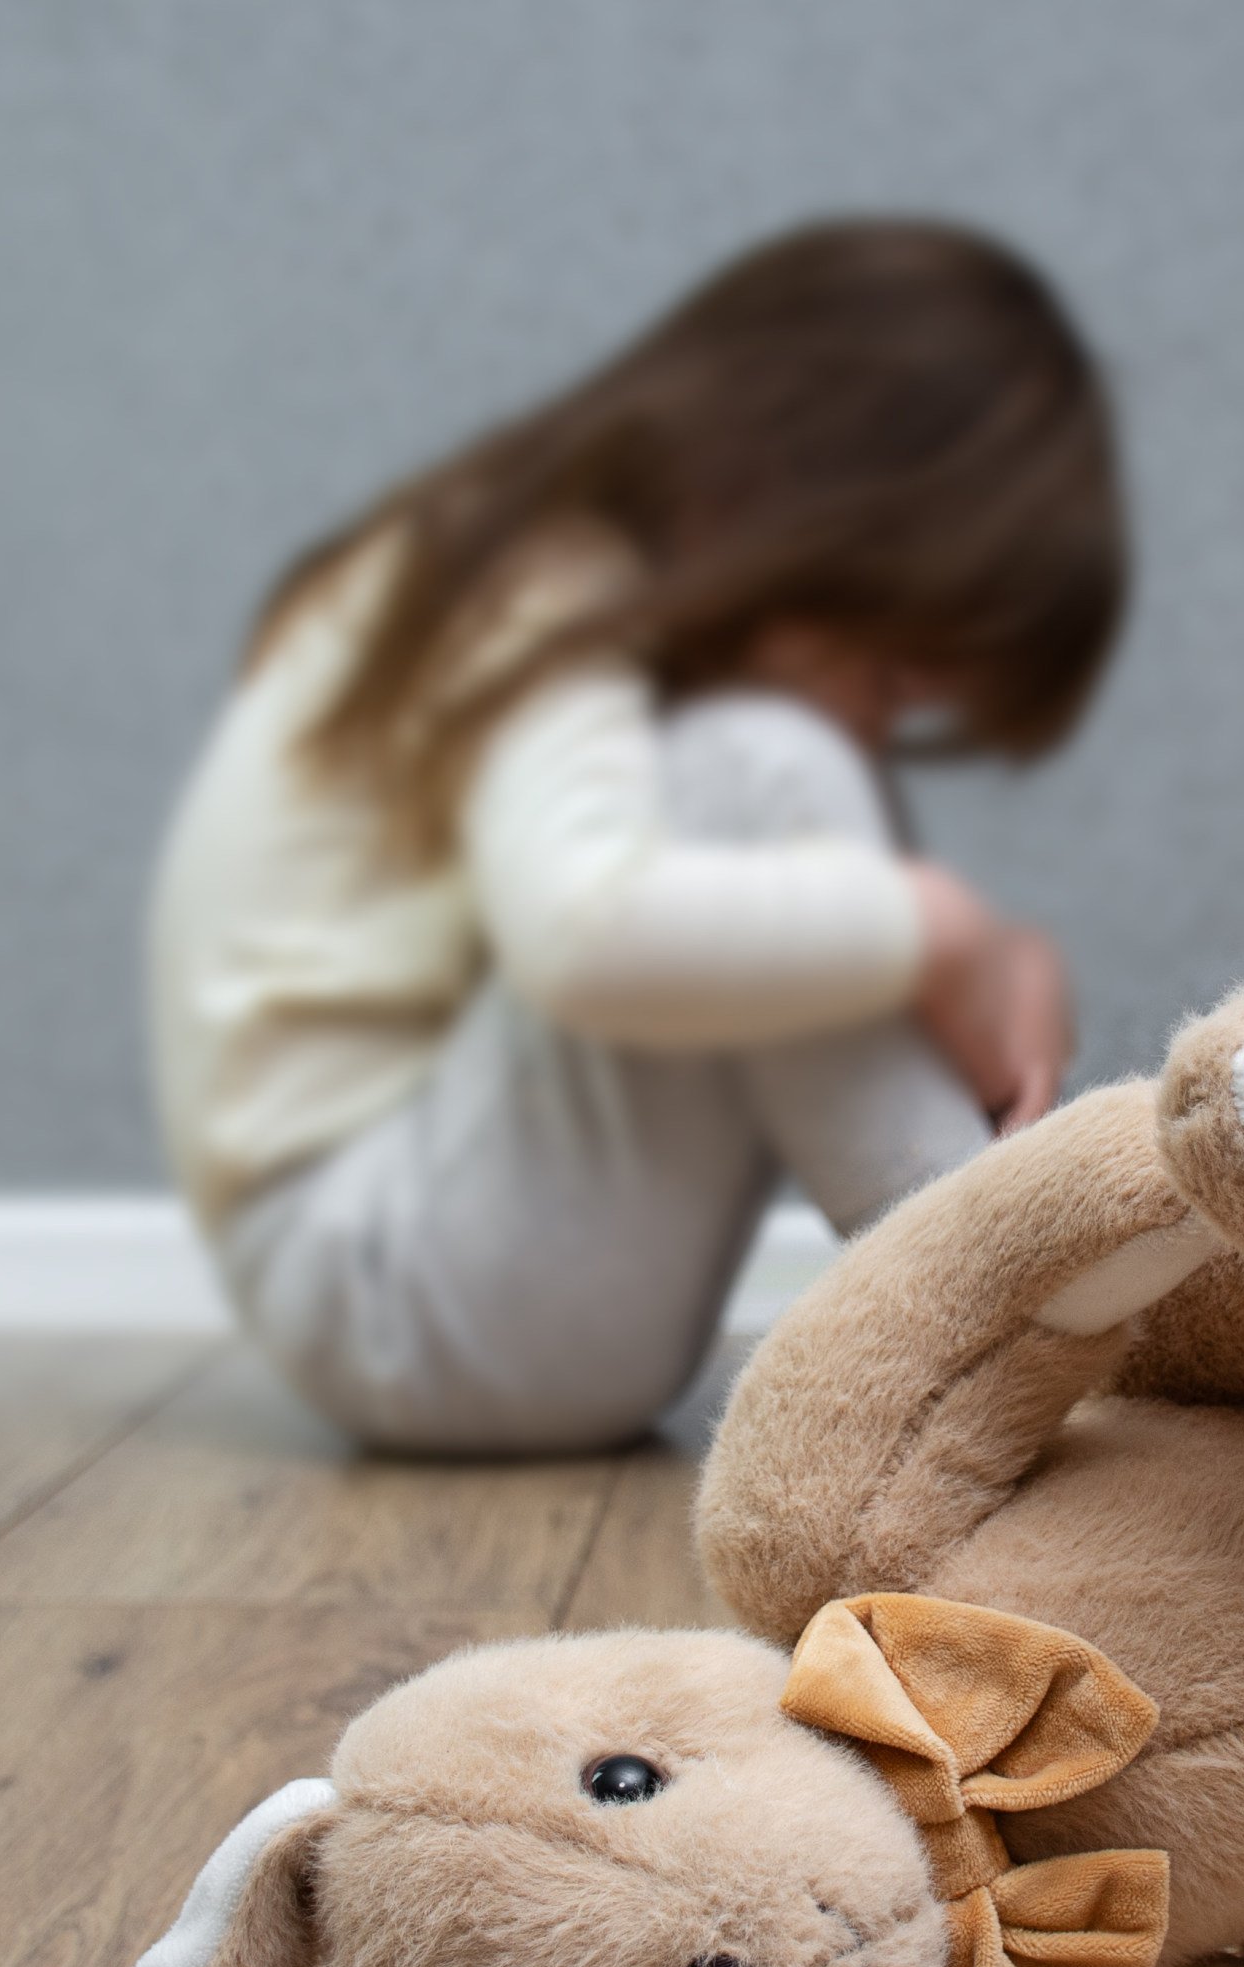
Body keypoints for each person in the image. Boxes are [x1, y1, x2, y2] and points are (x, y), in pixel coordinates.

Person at [145, 218, 1122, 1453]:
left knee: (773, 838)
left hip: (421, 1282)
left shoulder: (521, 562)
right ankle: (1014, 1328)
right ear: (792, 505)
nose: (875, 731)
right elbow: (585, 935)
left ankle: (1013, 1278)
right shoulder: (535, 577)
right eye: (886, 677)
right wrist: (938, 926)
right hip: (388, 1287)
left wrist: (953, 954)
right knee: (767, 764)